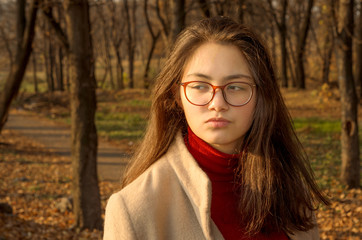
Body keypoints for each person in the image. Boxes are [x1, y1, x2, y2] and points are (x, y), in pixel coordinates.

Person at [104, 16, 329, 240]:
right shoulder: (133, 210)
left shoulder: (288, 186)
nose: (218, 103)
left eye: (236, 87)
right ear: (177, 96)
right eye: (200, 86)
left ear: (261, 95)